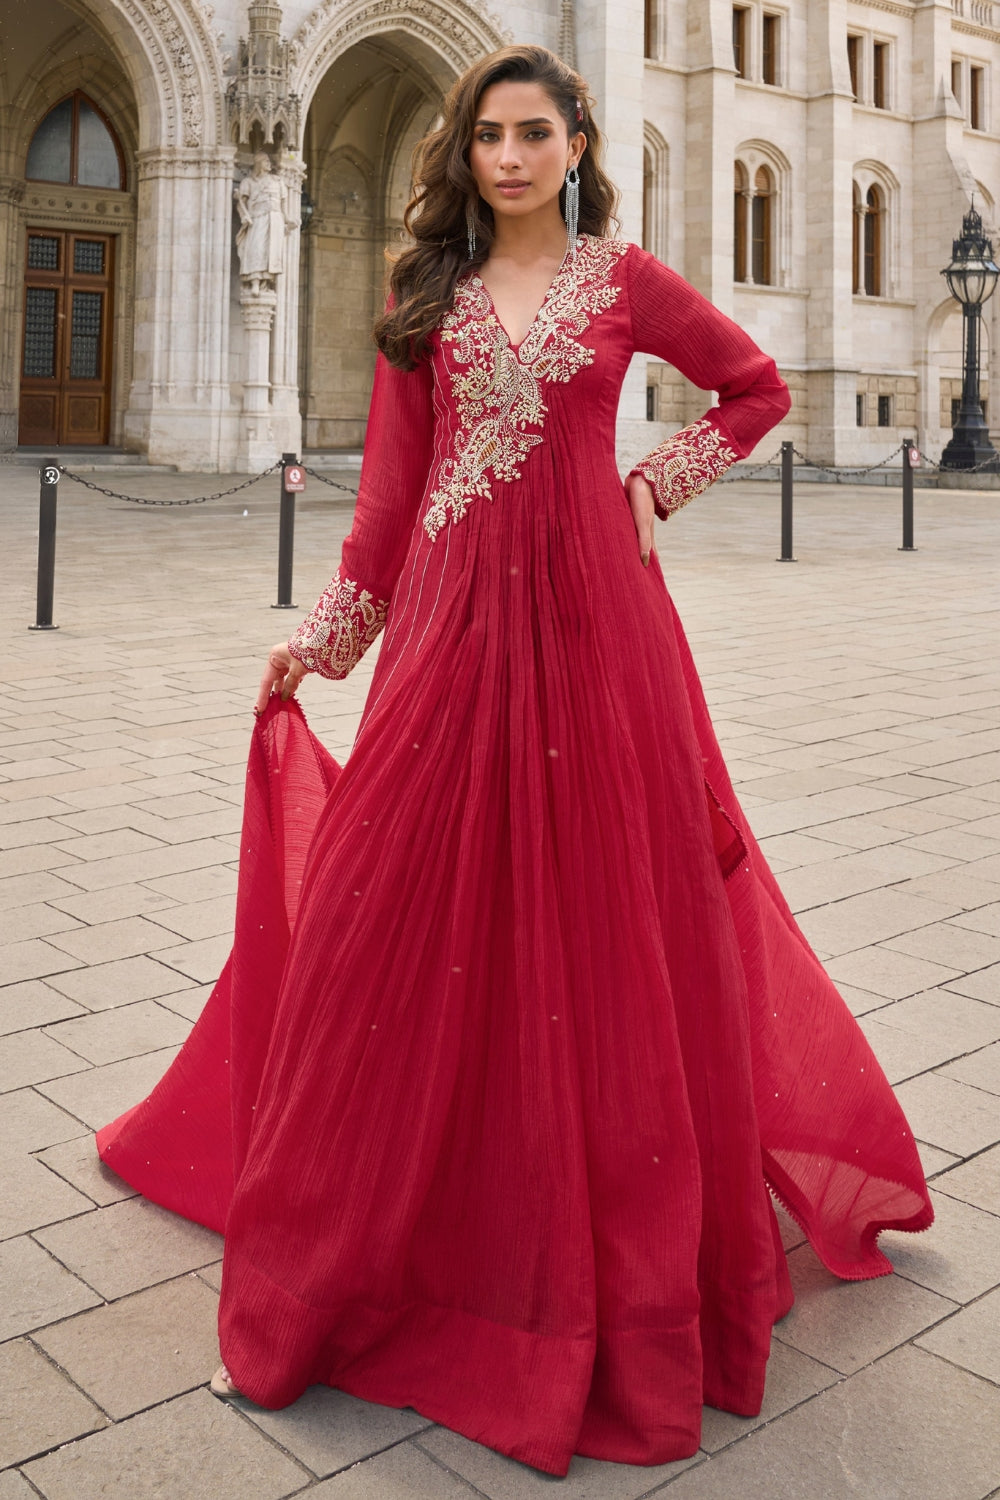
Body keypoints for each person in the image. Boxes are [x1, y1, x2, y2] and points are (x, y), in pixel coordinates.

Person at [98, 45, 933, 1478]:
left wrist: (648, 489)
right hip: (454, 634)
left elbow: (754, 387)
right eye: (486, 134)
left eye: (532, 132)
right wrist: (323, 643)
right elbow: (385, 504)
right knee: (381, 918)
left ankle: (591, 1273)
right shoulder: (424, 300)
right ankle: (336, 1269)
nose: (507, 155)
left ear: (575, 140)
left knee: (607, 937)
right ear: (465, 151)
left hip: (602, 639)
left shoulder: (626, 281)